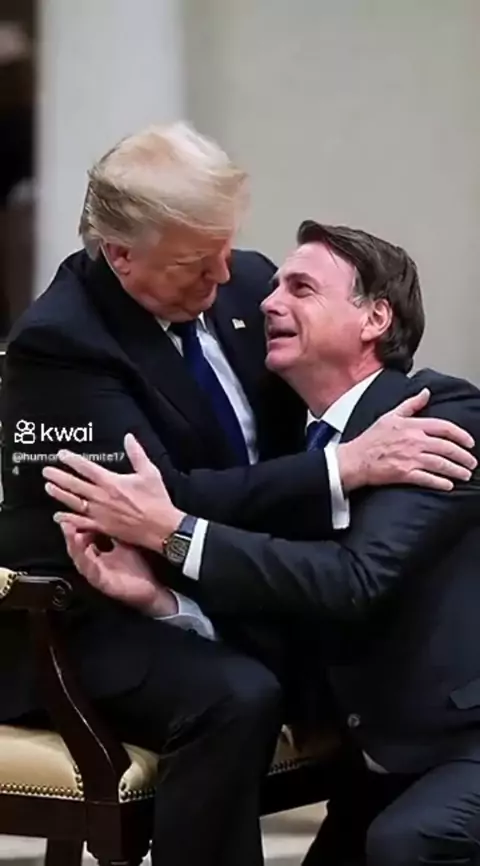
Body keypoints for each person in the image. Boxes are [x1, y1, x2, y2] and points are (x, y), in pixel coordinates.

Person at [0, 119, 475, 866]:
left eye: (227, 247)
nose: (229, 279)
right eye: (197, 262)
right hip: (86, 609)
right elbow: (156, 503)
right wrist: (340, 469)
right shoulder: (61, 343)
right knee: (235, 696)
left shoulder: (248, 284)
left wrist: (179, 564)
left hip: (219, 582)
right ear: (121, 255)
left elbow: (321, 534)